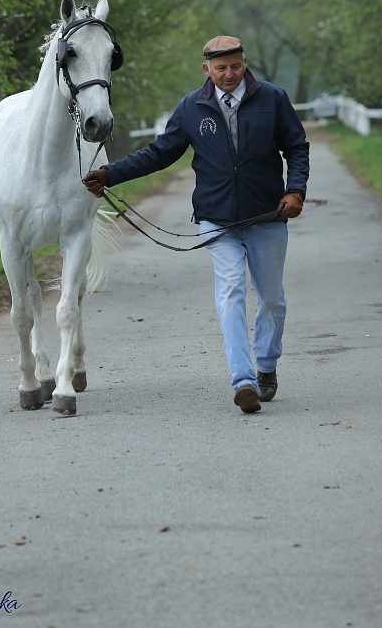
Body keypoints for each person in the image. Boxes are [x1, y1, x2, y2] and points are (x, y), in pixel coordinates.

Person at [82, 35, 309, 413]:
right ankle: (244, 380)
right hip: (216, 220)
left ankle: (266, 365)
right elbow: (159, 153)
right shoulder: (191, 108)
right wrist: (110, 174)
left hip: (268, 216)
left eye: (235, 66)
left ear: (244, 62)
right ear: (207, 69)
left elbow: (297, 147)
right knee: (232, 289)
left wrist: (296, 190)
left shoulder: (273, 99)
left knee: (272, 298)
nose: (229, 74)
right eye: (220, 68)